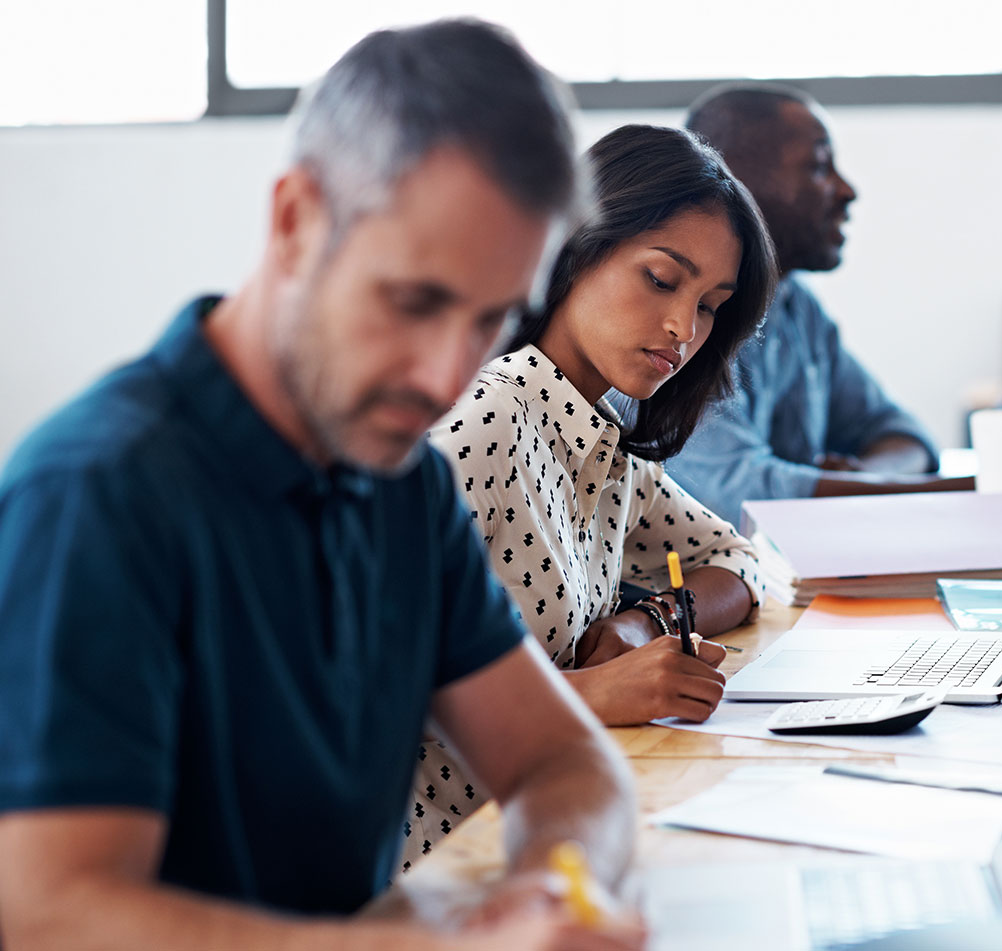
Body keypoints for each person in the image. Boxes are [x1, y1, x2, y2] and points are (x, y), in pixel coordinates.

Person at [0, 20, 644, 951]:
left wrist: (551, 885)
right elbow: (49, 913)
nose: (443, 374)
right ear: (296, 221)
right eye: (414, 301)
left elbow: (565, 761)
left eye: (489, 320)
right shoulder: (98, 495)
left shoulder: (403, 486)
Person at [410, 126, 773, 843]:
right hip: (450, 855)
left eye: (709, 305)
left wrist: (647, 623)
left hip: (562, 823)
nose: (682, 327)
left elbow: (739, 561)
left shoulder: (603, 440)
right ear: (575, 246)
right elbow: (354, 680)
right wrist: (588, 693)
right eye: (662, 280)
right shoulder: (487, 418)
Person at [668, 84, 1002, 525]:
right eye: (820, 168)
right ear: (736, 181)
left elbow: (903, 433)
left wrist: (869, 479)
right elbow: (749, 501)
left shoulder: (797, 309)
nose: (846, 190)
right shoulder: (684, 325)